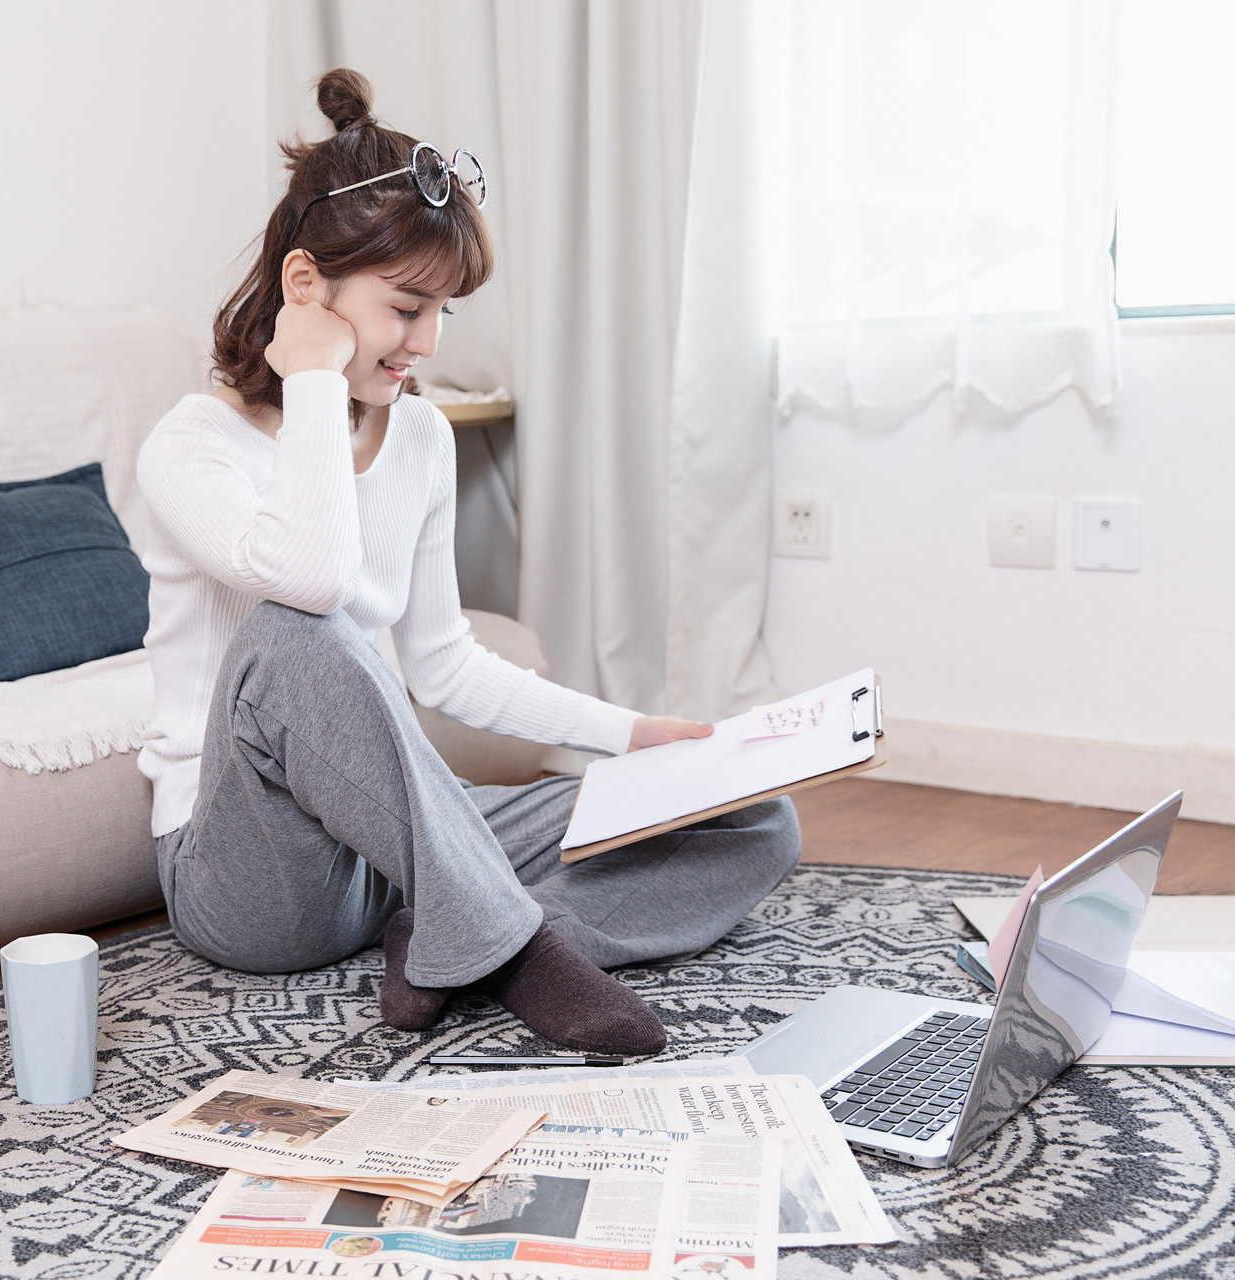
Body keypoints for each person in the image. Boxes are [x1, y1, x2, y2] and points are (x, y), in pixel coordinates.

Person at [135, 68, 800, 1056]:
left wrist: (631, 736)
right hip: (247, 878)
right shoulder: (191, 446)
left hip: (382, 857)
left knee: (747, 817)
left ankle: (456, 938)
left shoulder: (420, 437)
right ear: (306, 286)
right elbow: (313, 581)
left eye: (444, 311)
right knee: (292, 634)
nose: (429, 342)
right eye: (408, 308)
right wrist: (311, 378)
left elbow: (443, 663)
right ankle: (511, 947)